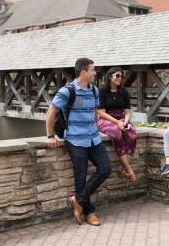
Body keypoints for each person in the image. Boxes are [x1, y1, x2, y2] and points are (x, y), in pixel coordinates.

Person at [45, 58, 111, 227]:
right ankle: (89, 212)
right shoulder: (67, 91)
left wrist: (96, 127)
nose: (95, 73)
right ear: (83, 72)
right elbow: (51, 111)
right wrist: (50, 136)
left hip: (94, 138)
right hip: (75, 139)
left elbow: (95, 112)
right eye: (93, 70)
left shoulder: (94, 90)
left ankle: (78, 200)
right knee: (80, 178)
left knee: (105, 169)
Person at [97, 67, 138, 182]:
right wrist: (117, 123)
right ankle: (129, 169)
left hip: (121, 118)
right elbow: (101, 112)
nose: (120, 78)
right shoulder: (102, 91)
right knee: (116, 133)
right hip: (106, 118)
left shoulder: (123, 92)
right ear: (110, 77)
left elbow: (127, 111)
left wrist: (125, 121)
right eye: (117, 76)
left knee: (132, 135)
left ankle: (122, 170)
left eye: (121, 76)